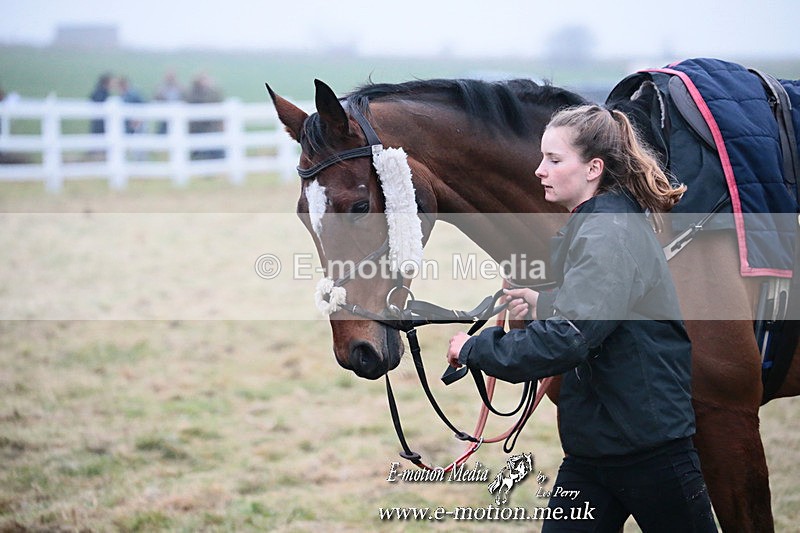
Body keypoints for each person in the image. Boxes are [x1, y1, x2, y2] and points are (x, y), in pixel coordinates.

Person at [446, 105, 717, 532]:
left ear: (593, 168)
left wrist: (474, 348)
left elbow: (566, 340)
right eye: (543, 158)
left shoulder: (608, 232)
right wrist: (544, 304)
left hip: (650, 452)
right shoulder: (594, 225)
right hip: (593, 450)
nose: (540, 170)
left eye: (554, 160)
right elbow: (602, 313)